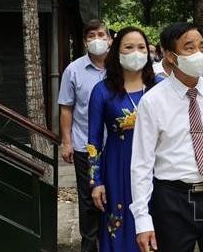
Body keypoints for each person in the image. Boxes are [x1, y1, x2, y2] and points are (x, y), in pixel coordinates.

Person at [130, 22, 203, 252]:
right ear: (171, 56)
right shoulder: (152, 102)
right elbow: (141, 165)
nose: (199, 54)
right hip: (173, 199)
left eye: (202, 47)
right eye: (189, 48)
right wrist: (142, 220)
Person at [87, 27, 161, 252]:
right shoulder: (103, 91)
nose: (136, 52)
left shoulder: (159, 87)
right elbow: (93, 140)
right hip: (118, 167)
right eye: (128, 47)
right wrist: (96, 181)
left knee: (155, 219)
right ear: (117, 52)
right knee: (120, 223)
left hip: (157, 167)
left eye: (141, 47)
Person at [58, 19, 112, 252]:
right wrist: (67, 141)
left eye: (102, 34)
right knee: (89, 198)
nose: (97, 40)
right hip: (85, 147)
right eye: (92, 36)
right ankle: (90, 245)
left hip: (118, 146)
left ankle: (113, 242)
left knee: (115, 194)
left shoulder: (121, 68)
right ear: (84, 41)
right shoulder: (74, 70)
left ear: (110, 39)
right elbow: (66, 107)